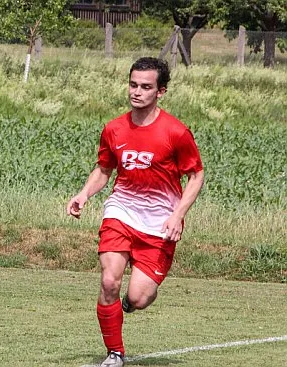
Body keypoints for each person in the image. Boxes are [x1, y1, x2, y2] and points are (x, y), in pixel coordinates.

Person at [66, 57, 204, 366]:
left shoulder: (176, 132)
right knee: (109, 281)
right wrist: (84, 194)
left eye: (145, 87)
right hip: (121, 212)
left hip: (160, 224)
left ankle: (128, 304)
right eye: (133, 85)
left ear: (161, 91)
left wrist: (178, 214)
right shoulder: (114, 128)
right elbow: (104, 168)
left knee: (139, 297)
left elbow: (196, 175)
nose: (137, 92)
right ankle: (115, 353)